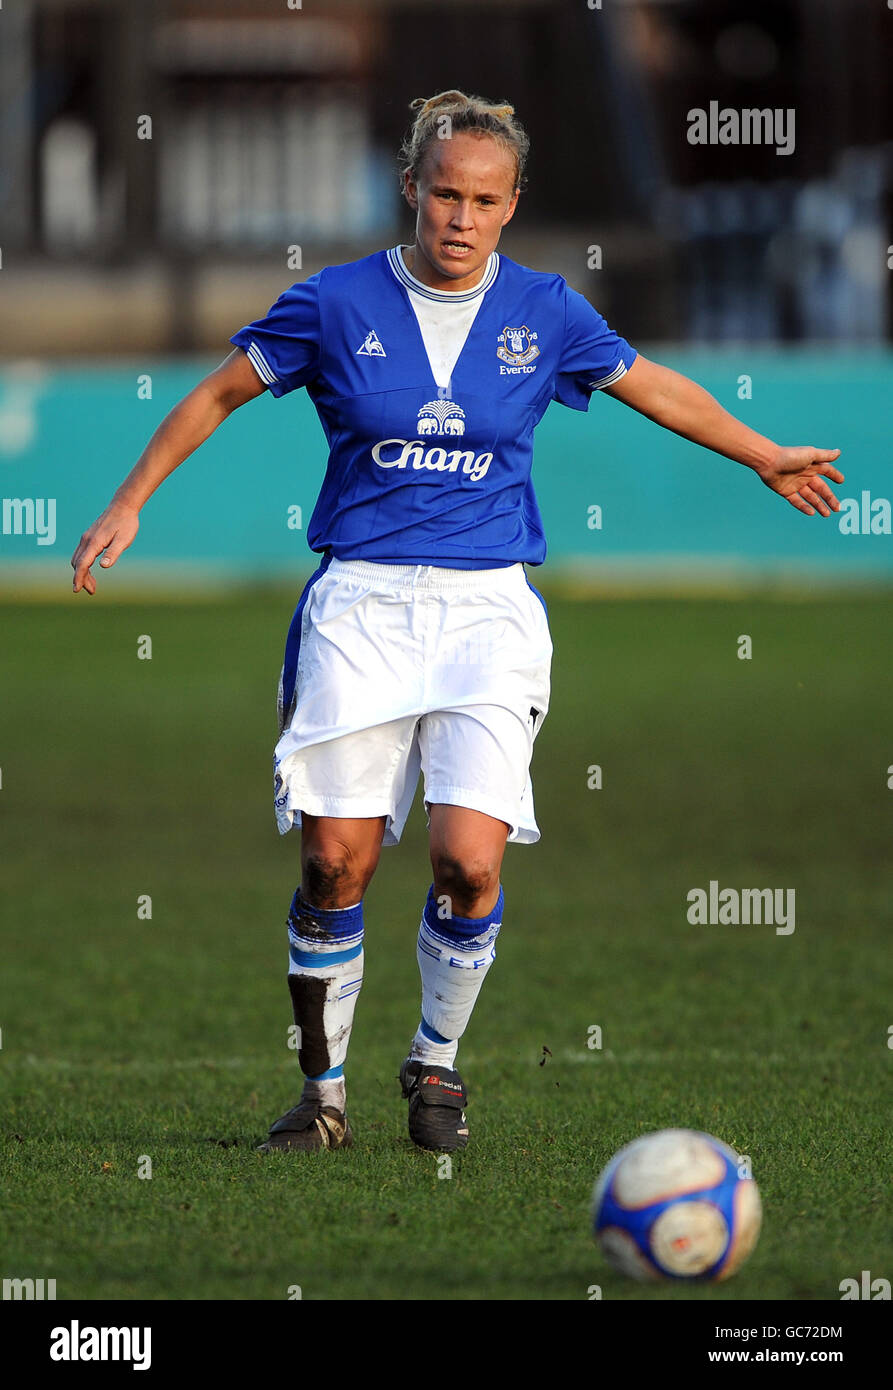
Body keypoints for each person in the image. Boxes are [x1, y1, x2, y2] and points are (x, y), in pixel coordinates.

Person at [71, 90, 843, 1156]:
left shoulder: (547, 312)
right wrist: (131, 497)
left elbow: (652, 386)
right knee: (336, 862)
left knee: (467, 862)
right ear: (411, 189)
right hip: (360, 606)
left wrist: (760, 452)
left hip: (486, 611)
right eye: (444, 193)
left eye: (483, 198)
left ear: (511, 202)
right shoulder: (333, 304)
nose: (460, 217)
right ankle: (321, 1093)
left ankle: (433, 1066)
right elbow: (213, 395)